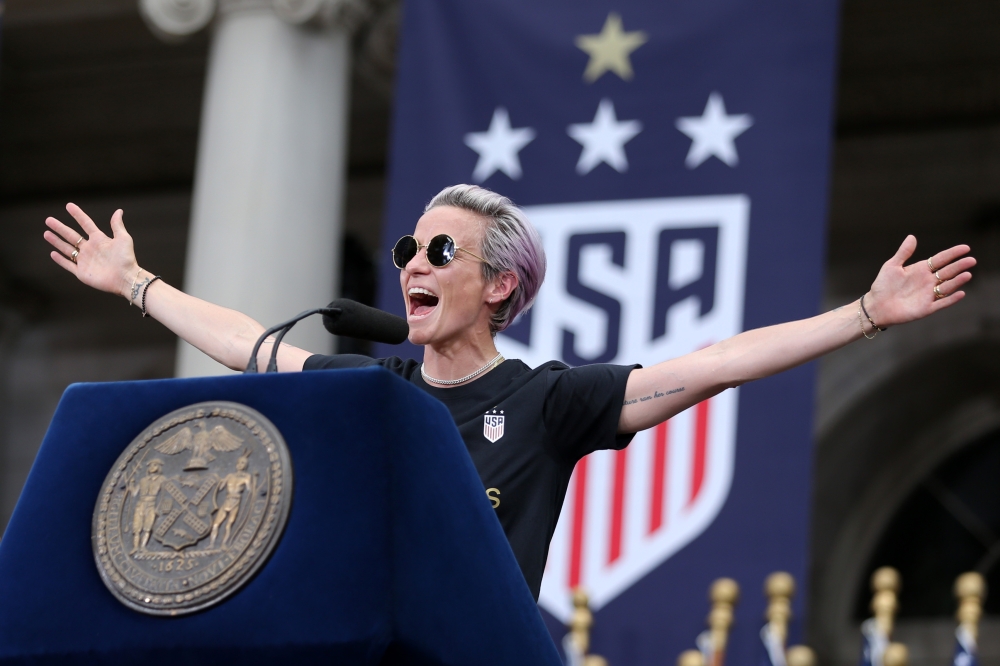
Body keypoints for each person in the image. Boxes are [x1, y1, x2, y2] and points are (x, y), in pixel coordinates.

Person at [44, 184, 975, 599]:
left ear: (498, 285)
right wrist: (135, 283)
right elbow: (249, 346)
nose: (413, 263)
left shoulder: (548, 402)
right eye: (408, 249)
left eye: (439, 250)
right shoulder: (372, 390)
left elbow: (717, 361)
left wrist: (865, 313)